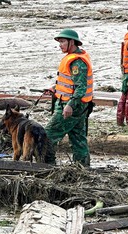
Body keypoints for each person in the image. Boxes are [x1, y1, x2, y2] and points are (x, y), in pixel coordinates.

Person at [45, 29, 93, 167]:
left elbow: (81, 87)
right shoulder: (75, 57)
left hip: (71, 105)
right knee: (78, 138)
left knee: (48, 135)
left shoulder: (77, 61)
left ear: (72, 42)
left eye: (62, 42)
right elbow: (71, 82)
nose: (60, 45)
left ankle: (47, 166)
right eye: (59, 42)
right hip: (79, 105)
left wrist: (70, 105)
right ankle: (83, 168)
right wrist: (55, 88)